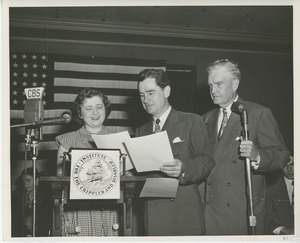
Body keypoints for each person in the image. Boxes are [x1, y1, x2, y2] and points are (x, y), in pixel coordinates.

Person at [202, 59, 290, 235]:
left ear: (235, 84)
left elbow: (282, 155)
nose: (213, 90)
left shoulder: (257, 113)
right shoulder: (205, 119)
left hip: (240, 216)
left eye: (218, 84)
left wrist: (258, 156)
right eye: (210, 85)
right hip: (209, 214)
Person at [135, 69, 215, 236]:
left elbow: (207, 161)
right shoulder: (140, 130)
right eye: (142, 95)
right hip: (152, 213)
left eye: (150, 93)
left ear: (167, 91)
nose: (146, 100)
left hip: (183, 213)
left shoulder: (192, 121)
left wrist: (184, 168)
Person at [56, 88, 119, 236]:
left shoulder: (118, 140)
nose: (95, 113)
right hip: (78, 211)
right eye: (88, 108)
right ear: (80, 113)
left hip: (110, 212)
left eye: (99, 107)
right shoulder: (66, 141)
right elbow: (59, 182)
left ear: (106, 109)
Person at [11, 167, 52, 237]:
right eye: (23, 181)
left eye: (28, 180)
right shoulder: (16, 196)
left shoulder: (45, 198)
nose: (25, 184)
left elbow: (46, 222)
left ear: (36, 181)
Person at [265, 155, 294, 235]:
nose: (289, 169)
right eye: (285, 165)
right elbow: (265, 219)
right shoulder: (270, 187)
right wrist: (283, 230)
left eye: (292, 164)